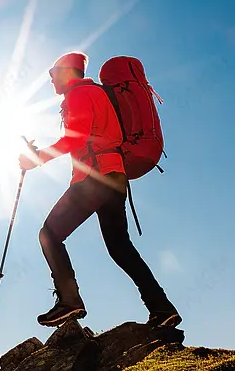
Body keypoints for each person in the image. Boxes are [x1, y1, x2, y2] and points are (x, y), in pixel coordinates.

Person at [18, 51, 181, 328]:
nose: (50, 79)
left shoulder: (78, 94)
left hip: (94, 178)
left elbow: (77, 136)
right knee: (120, 247)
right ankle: (162, 308)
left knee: (49, 234)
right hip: (114, 177)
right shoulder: (96, 93)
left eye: (53, 72)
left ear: (68, 71)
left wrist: (36, 159)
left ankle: (69, 302)